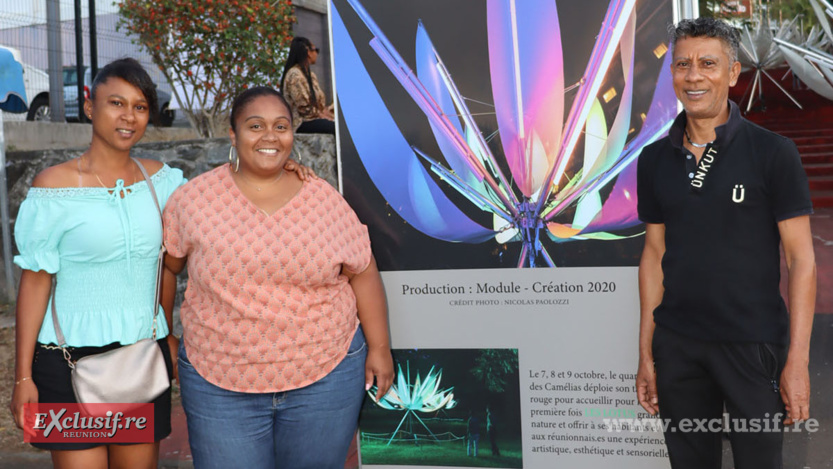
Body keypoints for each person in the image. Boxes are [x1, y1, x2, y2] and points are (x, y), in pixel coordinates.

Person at [162, 86, 394, 469]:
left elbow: (363, 269)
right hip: (219, 379)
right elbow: (168, 268)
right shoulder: (194, 201)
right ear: (233, 134)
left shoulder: (322, 198)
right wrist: (165, 335)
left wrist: (380, 347)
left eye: (281, 126)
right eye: (255, 126)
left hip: (325, 375)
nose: (270, 136)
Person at [635, 18, 816, 469]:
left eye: (708, 63)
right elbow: (654, 254)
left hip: (752, 348)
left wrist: (797, 361)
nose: (694, 76)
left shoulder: (773, 152)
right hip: (678, 347)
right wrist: (646, 351)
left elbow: (801, 260)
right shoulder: (654, 159)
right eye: (682, 65)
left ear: (733, 73)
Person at [8, 58, 182, 468]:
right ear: (90, 107)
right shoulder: (53, 187)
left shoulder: (164, 182)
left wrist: (286, 171)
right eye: (116, 103)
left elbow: (174, 259)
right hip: (65, 363)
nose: (129, 117)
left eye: (140, 107)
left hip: (141, 361)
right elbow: (34, 284)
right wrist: (22, 377)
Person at [281, 36, 336, 134]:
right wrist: (322, 116)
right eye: (316, 50)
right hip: (301, 122)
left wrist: (327, 113)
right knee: (334, 128)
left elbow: (319, 104)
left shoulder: (311, 75)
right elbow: (303, 108)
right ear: (308, 52)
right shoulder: (295, 74)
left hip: (314, 119)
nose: (316, 54)